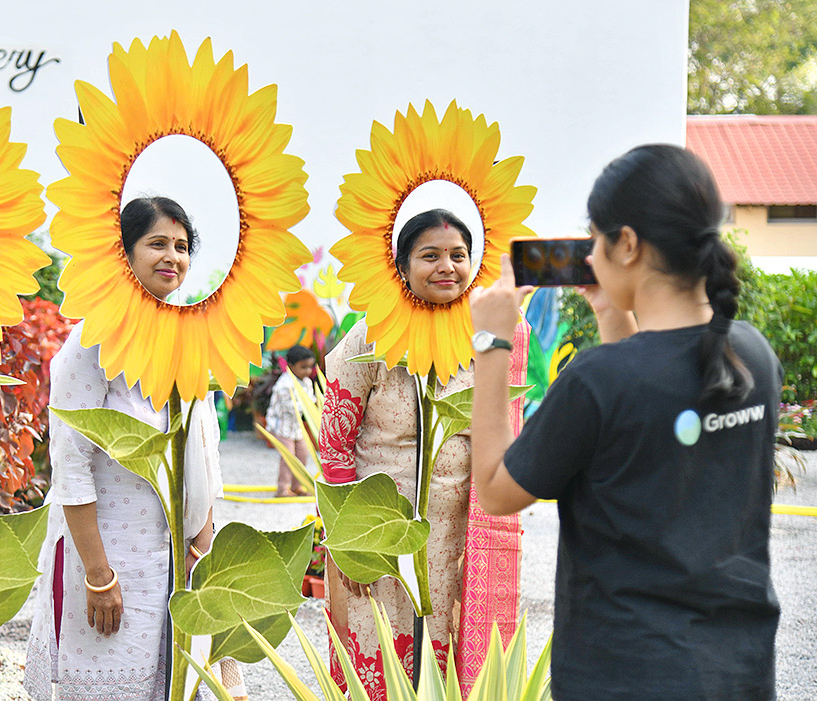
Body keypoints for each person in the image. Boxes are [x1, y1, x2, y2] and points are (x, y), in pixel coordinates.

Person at [469, 144, 781, 701]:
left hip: (621, 675)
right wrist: (614, 312)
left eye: (595, 238)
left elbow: (494, 491)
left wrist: (492, 342)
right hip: (738, 670)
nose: (590, 252)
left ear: (628, 244)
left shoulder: (599, 380)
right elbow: (654, 406)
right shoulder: (753, 356)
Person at [26, 197, 232, 701]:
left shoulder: (186, 339)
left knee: (175, 684)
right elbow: (71, 466)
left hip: (173, 562)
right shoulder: (91, 344)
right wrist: (99, 575)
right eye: (157, 243)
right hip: (108, 560)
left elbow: (201, 456)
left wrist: (201, 557)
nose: (173, 257)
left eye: (182, 247)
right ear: (124, 253)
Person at [320, 208, 529, 696]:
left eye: (459, 256)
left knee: (445, 672)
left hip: (458, 549)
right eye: (429, 255)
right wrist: (352, 547)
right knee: (382, 670)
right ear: (401, 265)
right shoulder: (370, 337)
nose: (447, 267)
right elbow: (333, 452)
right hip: (379, 547)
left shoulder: (484, 342)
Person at [266, 345, 318, 497]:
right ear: (291, 366)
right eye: (303, 367)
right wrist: (310, 406)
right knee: (288, 458)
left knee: (302, 455)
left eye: (310, 367)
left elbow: (312, 399)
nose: (308, 371)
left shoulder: (307, 382)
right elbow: (291, 407)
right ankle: (282, 489)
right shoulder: (284, 384)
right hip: (281, 427)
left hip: (296, 428)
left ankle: (297, 486)